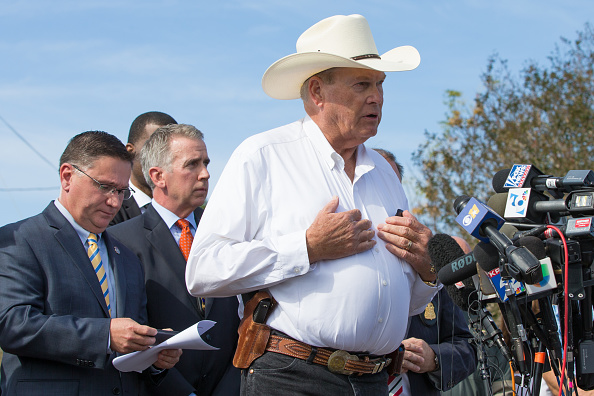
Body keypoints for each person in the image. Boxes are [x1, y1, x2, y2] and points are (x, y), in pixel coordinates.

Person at [185, 14, 438, 395]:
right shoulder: (263, 156)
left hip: (373, 381)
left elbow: (410, 306)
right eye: (362, 84)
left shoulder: (385, 174)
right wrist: (307, 247)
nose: (377, 96)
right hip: (292, 377)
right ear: (317, 92)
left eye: (380, 84)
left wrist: (426, 271)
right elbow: (203, 271)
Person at [0, 131, 181, 395]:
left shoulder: (127, 257)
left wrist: (152, 353)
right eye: (104, 186)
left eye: (121, 191)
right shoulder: (21, 239)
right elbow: (12, 325)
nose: (114, 202)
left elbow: (126, 345)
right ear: (67, 177)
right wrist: (105, 335)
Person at [109, 124, 240, 396]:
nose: (205, 174)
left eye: (205, 163)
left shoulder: (229, 234)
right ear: (158, 176)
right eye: (192, 164)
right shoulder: (120, 241)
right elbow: (127, 335)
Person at [374, 149, 477, 396]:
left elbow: (467, 347)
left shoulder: (428, 263)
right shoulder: (339, 261)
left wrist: (433, 358)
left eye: (390, 186)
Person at [110, 111, 178, 225]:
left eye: (172, 152)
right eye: (156, 149)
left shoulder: (193, 216)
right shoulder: (110, 209)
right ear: (130, 152)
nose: (166, 159)